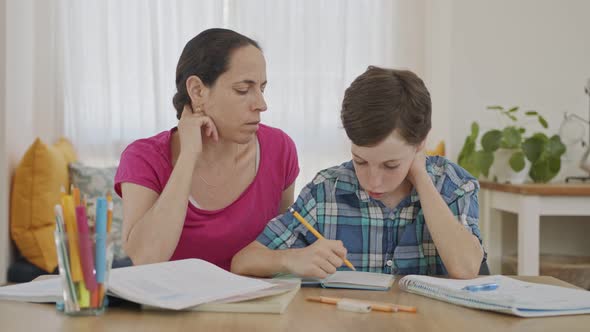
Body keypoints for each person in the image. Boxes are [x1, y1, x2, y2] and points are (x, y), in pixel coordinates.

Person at [232, 66, 486, 279]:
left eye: (390, 165)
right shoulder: (326, 190)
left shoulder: (454, 184)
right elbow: (243, 262)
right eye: (360, 161)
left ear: (420, 144)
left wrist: (420, 177)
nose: (373, 181)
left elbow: (466, 269)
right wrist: (290, 259)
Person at [114, 28, 299, 270]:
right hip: (170, 307)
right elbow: (144, 259)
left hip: (253, 306)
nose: (261, 105)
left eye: (262, 89)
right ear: (198, 91)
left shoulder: (280, 149)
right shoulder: (143, 158)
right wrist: (189, 155)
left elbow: (281, 244)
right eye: (243, 89)